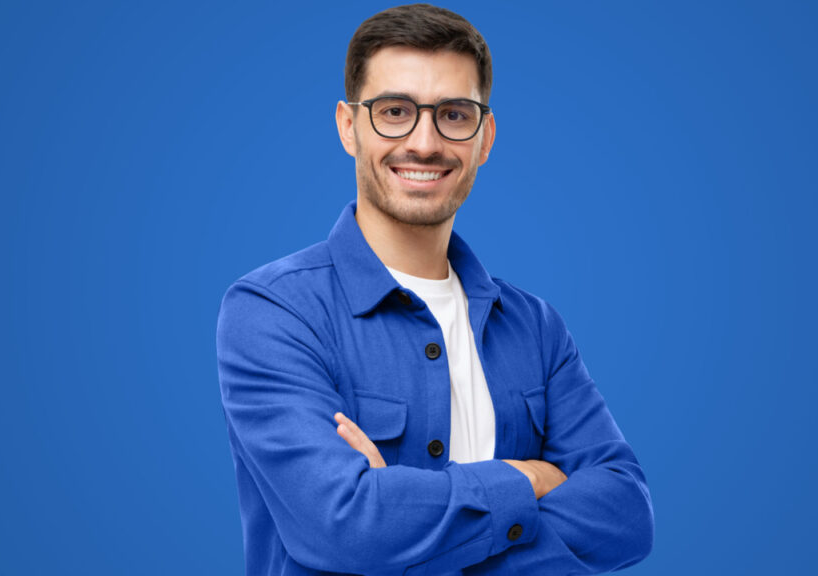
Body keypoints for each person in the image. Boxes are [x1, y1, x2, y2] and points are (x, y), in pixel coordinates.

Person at [216, 4, 654, 574]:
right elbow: (345, 529)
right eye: (394, 111)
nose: (424, 143)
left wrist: (400, 512)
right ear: (350, 127)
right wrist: (527, 478)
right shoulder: (274, 313)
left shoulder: (536, 328)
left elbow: (627, 516)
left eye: (453, 114)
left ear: (485, 136)